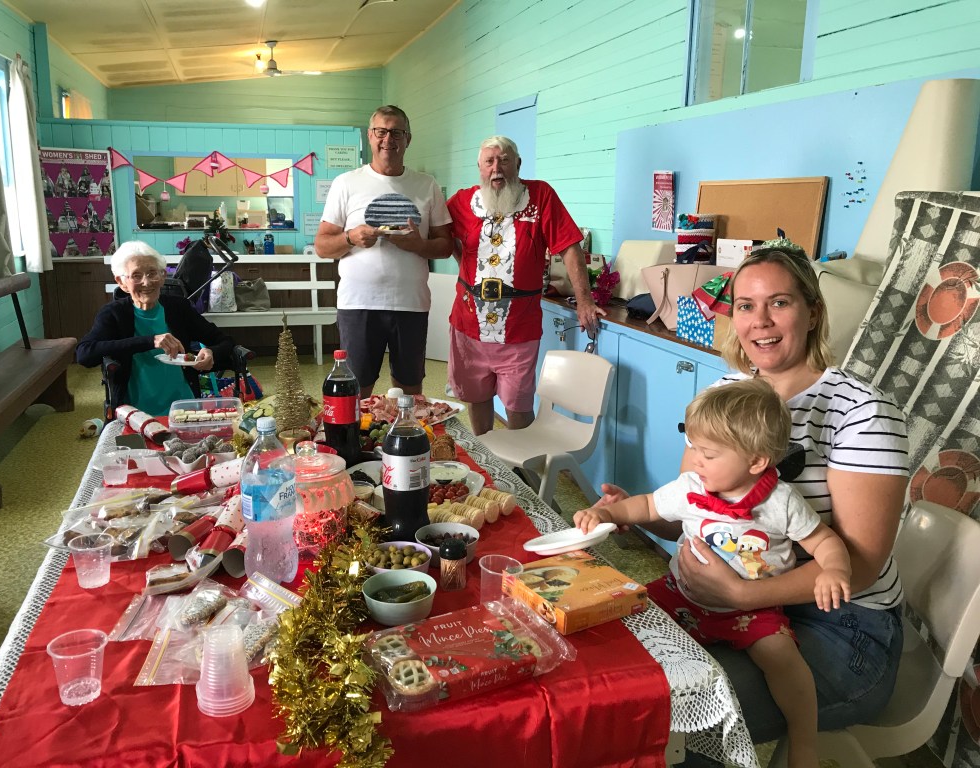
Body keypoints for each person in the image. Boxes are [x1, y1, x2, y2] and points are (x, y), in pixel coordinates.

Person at [596, 244, 910, 765]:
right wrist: (635, 513)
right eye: (745, 305)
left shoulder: (862, 413)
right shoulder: (726, 394)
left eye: (779, 303)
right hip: (722, 601)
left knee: (669, 700)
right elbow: (691, 510)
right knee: (620, 664)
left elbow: (859, 567)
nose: (760, 321)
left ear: (813, 312)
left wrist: (743, 594)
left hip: (840, 623)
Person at [576, 378, 852, 768]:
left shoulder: (781, 502)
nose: (695, 460)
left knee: (785, 661)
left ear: (756, 462)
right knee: (625, 619)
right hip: (681, 593)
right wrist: (607, 512)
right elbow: (647, 506)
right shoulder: (691, 487)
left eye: (707, 453)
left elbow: (823, 540)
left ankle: (804, 743)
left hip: (752, 610)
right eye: (692, 446)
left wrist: (834, 568)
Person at [446, 136, 604, 435]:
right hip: (468, 323)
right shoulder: (461, 202)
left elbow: (570, 247)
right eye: (489, 161)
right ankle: (486, 455)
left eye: (504, 160)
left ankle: (523, 462)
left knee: (518, 406)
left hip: (519, 327)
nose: (497, 168)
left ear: (517, 164)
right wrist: (465, 269)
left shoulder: (540, 196)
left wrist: (585, 301)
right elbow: (443, 237)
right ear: (479, 167)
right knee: (476, 398)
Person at [314, 105, 453, 398]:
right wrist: (351, 237)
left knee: (410, 392)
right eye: (381, 131)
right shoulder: (346, 183)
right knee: (356, 391)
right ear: (370, 136)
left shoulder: (426, 185)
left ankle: (403, 430)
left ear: (408, 139)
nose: (388, 139)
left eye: (396, 132)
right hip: (359, 304)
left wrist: (419, 245)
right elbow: (322, 246)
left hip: (411, 305)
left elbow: (446, 245)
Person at [76, 240, 235, 416]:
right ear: (121, 282)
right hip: (134, 413)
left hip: (184, 408)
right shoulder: (114, 314)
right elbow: (84, 354)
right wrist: (150, 341)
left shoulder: (178, 307)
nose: (146, 282)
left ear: (162, 276)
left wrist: (211, 352)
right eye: (136, 276)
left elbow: (225, 341)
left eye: (152, 273)